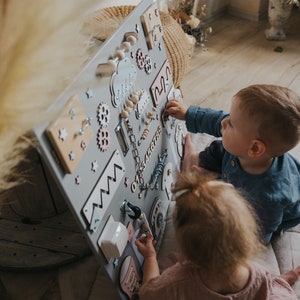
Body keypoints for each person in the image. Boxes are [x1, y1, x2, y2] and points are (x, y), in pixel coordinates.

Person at [165, 84, 300, 244]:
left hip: (262, 208)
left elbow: (257, 235)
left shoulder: (268, 198)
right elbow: (217, 120)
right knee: (218, 149)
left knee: (225, 212)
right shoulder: (243, 145)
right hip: (233, 162)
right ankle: (198, 163)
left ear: (255, 148)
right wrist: (188, 113)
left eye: (231, 123)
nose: (224, 122)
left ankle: (215, 179)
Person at [135, 172, 300, 300]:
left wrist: (150, 257)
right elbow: (264, 289)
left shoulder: (177, 282)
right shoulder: (258, 275)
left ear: (185, 250)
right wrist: (278, 283)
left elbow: (148, 294)